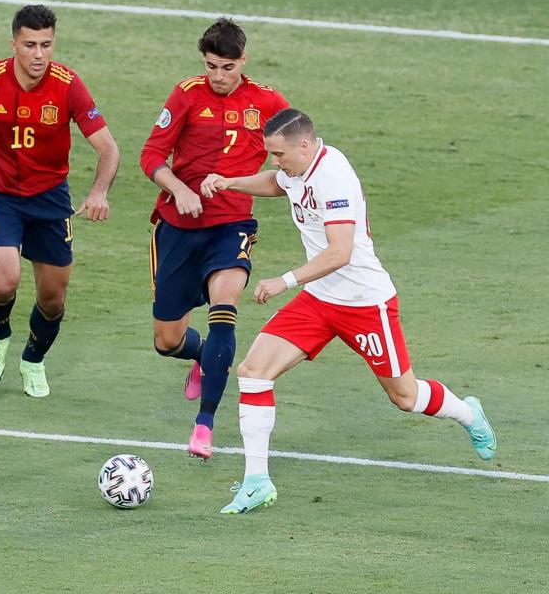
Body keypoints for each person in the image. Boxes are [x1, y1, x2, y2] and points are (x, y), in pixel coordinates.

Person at [200, 108, 498, 514]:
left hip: (364, 303)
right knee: (254, 372)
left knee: (405, 397)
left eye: (278, 153)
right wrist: (231, 181)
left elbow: (339, 252)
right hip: (319, 301)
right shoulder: (295, 166)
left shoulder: (333, 175)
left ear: (304, 146)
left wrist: (283, 281)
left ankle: (467, 413)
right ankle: (257, 481)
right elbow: (278, 181)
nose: (274, 161)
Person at [0, 4, 120, 398]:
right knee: (4, 281)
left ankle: (33, 359)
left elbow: (109, 149)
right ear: (14, 44)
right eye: (30, 45)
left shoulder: (69, 85)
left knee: (53, 299)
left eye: (47, 45)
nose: (39, 54)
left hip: (50, 199)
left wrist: (99, 190)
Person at [140, 18, 288, 458]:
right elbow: (151, 155)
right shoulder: (186, 94)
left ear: (243, 60)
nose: (219, 77)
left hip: (231, 227)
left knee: (225, 311)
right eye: (211, 66)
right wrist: (180, 189)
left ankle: (203, 426)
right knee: (167, 340)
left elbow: (294, 157)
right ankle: (203, 358)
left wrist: (242, 183)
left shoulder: (267, 102)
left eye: (227, 67)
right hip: (178, 230)